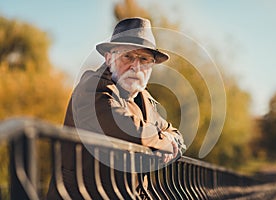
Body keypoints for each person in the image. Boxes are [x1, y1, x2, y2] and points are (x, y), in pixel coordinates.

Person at [47, 17, 185, 199]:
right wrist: (165, 143)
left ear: (151, 66)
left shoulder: (144, 99)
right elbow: (127, 129)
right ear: (109, 57)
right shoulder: (92, 88)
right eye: (127, 56)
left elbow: (176, 135)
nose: (136, 67)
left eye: (144, 59)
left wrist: (170, 140)